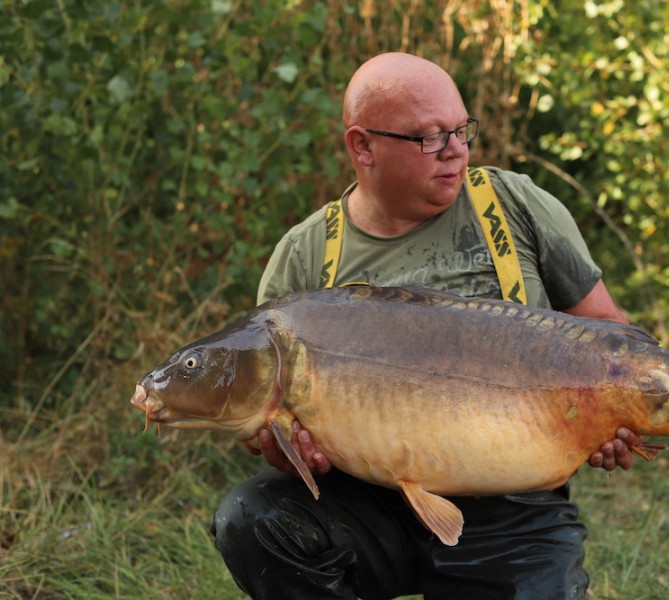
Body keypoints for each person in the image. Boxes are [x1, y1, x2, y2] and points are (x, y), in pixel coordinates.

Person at [211, 52, 645, 599]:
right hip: (367, 507)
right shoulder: (306, 255)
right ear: (362, 146)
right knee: (253, 519)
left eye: (462, 130)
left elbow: (606, 327)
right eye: (429, 138)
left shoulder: (513, 205)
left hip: (513, 515)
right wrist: (283, 445)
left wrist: (618, 412)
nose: (456, 150)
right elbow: (281, 435)